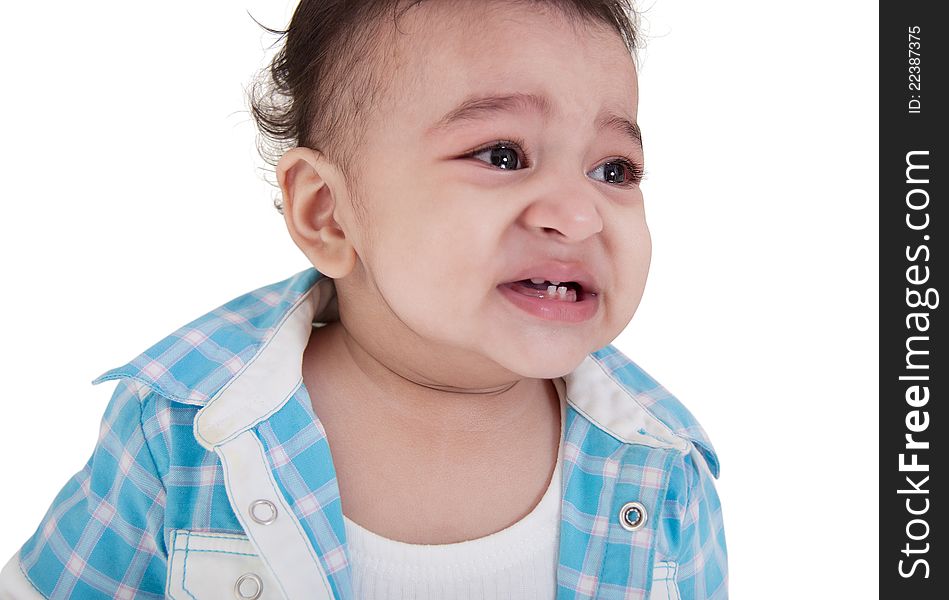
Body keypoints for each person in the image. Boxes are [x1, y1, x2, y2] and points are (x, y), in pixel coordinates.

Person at [0, 0, 727, 598]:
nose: (577, 214)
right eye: (501, 155)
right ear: (328, 213)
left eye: (614, 169)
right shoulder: (184, 430)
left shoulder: (663, 468)